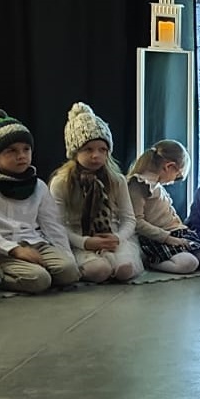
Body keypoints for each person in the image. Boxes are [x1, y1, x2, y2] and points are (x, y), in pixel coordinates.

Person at [0, 108, 79, 292]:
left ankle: (36, 271)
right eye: (11, 151)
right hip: (0, 249)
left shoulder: (38, 185)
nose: (21, 156)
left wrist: (67, 256)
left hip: (35, 243)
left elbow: (52, 225)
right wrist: (14, 250)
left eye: (26, 149)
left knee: (69, 272)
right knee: (39, 280)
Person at [49, 103, 143, 283]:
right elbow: (56, 225)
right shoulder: (61, 182)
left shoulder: (116, 180)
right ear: (75, 151)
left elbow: (129, 219)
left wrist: (117, 238)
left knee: (125, 269)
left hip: (114, 237)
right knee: (99, 270)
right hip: (78, 239)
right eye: (88, 149)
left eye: (102, 150)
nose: (96, 155)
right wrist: (85, 242)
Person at [126, 140, 200, 273]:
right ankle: (151, 261)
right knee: (189, 263)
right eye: (177, 176)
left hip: (176, 232)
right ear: (169, 166)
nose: (174, 182)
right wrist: (168, 238)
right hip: (156, 237)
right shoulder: (140, 183)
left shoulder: (157, 186)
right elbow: (137, 222)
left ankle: (178, 255)